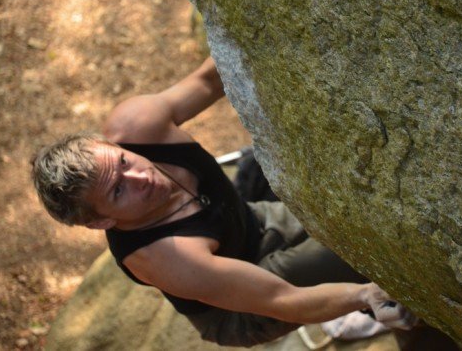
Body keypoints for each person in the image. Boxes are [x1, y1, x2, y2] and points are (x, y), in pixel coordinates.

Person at [31, 57, 417, 347]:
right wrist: (364, 295)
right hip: (244, 306)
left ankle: (340, 300)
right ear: (102, 222)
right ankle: (360, 310)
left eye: (123, 161)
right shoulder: (165, 257)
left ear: (113, 145)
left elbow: (214, 75)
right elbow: (282, 299)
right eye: (118, 190)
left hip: (253, 221)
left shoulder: (137, 126)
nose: (141, 176)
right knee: (370, 244)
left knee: (332, 201)